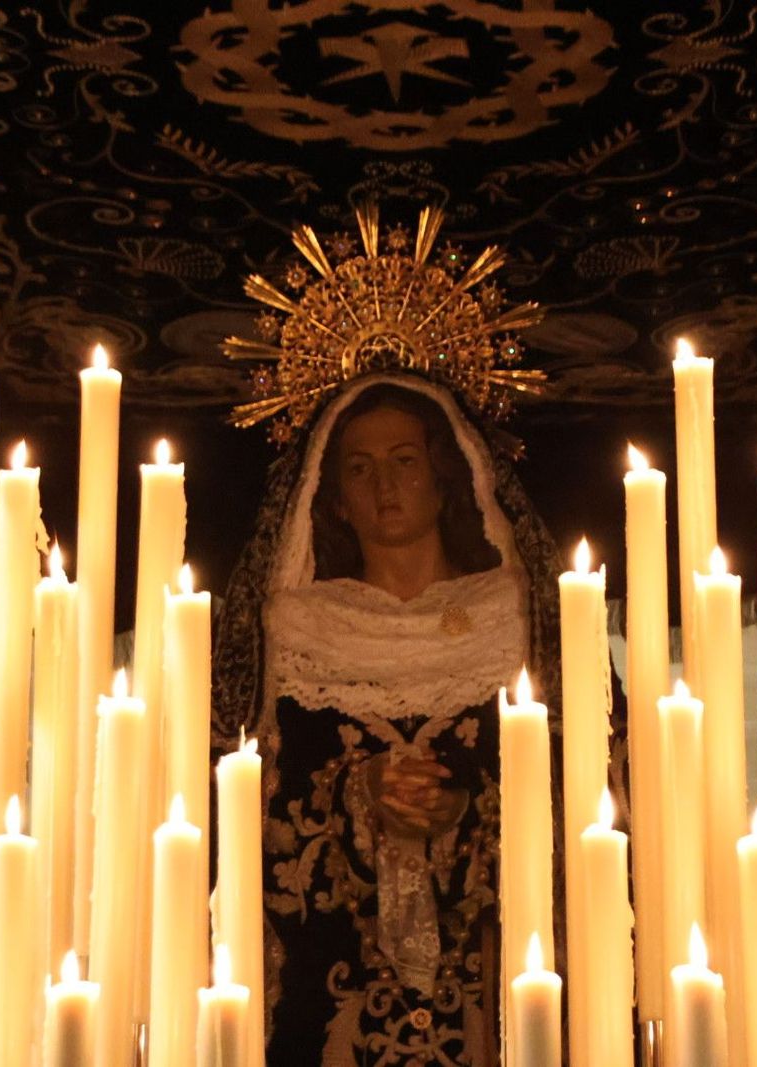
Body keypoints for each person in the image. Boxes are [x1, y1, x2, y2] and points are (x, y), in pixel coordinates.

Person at [213, 373, 565, 1064]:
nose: (385, 486)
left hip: (492, 974)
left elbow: (581, 787)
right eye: (361, 467)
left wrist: (464, 800)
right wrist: (356, 793)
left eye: (404, 460)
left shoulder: (518, 616)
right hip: (333, 977)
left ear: (444, 475)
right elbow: (247, 806)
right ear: (334, 496)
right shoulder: (295, 631)